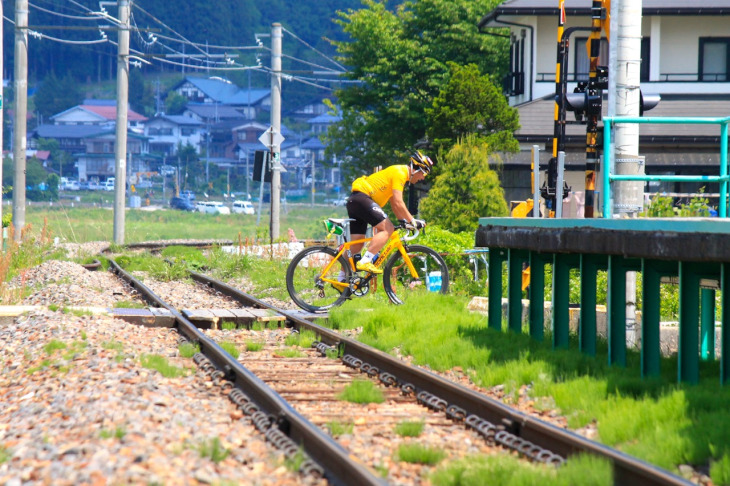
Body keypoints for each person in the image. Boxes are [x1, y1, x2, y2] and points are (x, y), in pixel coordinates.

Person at [345, 151, 434, 274]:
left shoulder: (398, 174)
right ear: (415, 168)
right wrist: (413, 221)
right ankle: (366, 261)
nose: (423, 177)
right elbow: (398, 202)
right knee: (387, 229)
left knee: (356, 245)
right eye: (423, 173)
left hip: (354, 200)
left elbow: (395, 205)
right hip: (362, 198)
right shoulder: (401, 173)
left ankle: (340, 279)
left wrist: (403, 221)